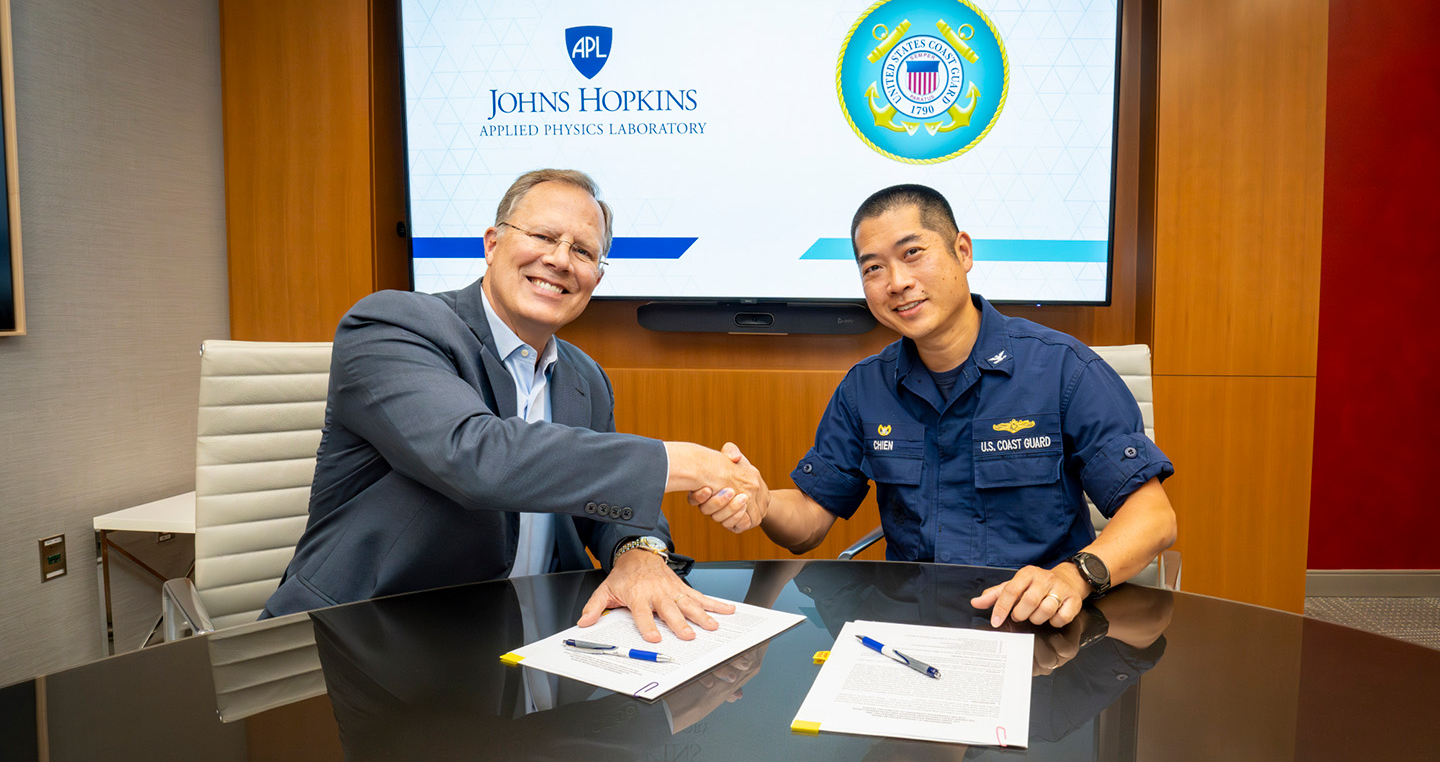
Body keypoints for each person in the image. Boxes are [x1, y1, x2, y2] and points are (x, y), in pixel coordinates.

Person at [261, 168, 767, 642]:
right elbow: (476, 457)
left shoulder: (584, 376)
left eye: (584, 252)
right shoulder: (394, 325)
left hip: (528, 636)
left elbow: (608, 498)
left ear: (596, 277)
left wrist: (638, 551)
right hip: (366, 635)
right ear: (492, 243)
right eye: (544, 237)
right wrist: (692, 463)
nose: (560, 260)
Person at [693, 184, 1176, 628]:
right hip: (908, 633)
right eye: (873, 268)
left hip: (1037, 631)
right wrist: (761, 502)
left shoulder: (1063, 369)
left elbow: (1153, 517)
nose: (896, 282)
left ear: (962, 252)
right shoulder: (866, 387)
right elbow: (808, 522)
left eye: (913, 254)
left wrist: (1075, 576)